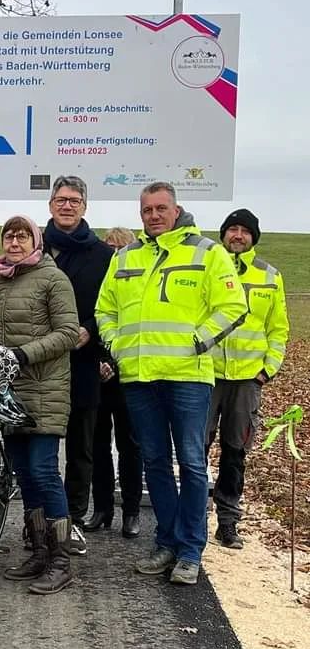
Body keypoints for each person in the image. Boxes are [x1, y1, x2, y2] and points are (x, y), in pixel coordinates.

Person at [96, 182, 247, 585]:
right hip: (140, 377)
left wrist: (197, 342)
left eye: (162, 208)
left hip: (188, 377)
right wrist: (116, 345)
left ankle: (190, 549)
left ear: (176, 210)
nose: (154, 215)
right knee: (155, 462)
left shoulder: (207, 252)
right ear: (140, 214)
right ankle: (166, 542)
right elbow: (104, 308)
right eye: (147, 210)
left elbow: (234, 306)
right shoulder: (126, 256)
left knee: (193, 464)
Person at [0, 216, 79, 594]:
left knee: (43, 471)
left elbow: (68, 333)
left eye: (22, 236)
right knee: (24, 475)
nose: (14, 242)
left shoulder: (53, 279)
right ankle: (40, 552)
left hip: (44, 388)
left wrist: (23, 355)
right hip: (10, 393)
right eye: (9, 236)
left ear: (35, 241)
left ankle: (61, 560)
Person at [208, 208, 289, 548]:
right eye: (232, 230)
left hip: (246, 382)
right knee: (194, 451)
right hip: (207, 377)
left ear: (253, 237)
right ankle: (193, 519)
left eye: (244, 231)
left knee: (234, 452)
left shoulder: (270, 276)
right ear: (223, 234)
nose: (237, 235)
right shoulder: (209, 267)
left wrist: (265, 370)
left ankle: (228, 522)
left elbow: (278, 330)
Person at [42, 177, 114, 555]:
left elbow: (111, 306)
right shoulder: (34, 246)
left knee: (81, 447)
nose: (67, 206)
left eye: (74, 200)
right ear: (50, 204)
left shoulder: (103, 255)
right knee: (41, 447)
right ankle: (41, 521)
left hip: (83, 362)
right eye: (60, 199)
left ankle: (71, 520)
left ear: (85, 207)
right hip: (40, 365)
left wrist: (91, 332)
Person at [84, 226, 142, 539]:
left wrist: (116, 364)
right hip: (98, 371)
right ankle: (101, 508)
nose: (113, 254)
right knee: (98, 445)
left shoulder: (135, 285)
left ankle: (131, 512)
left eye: (120, 248)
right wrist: (99, 362)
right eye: (110, 247)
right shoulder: (98, 282)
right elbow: (95, 322)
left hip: (129, 375)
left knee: (130, 445)